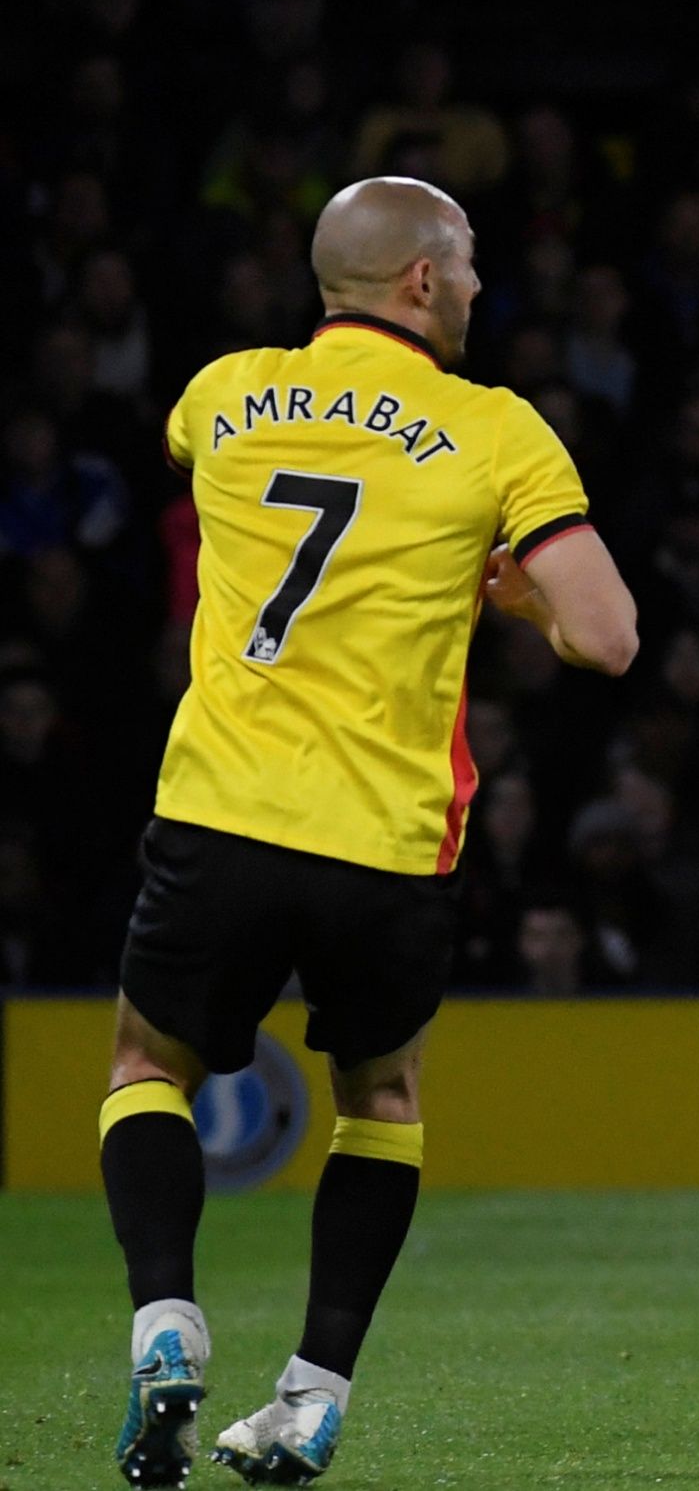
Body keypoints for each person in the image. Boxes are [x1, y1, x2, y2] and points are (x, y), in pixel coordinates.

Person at [99, 177, 638, 1488]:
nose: (477, 289)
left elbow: (221, 476)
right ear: (418, 281)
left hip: (221, 808)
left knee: (144, 1065)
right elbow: (609, 639)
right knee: (381, 1095)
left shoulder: (219, 394)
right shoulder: (497, 430)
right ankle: (315, 1392)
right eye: (465, 269)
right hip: (389, 840)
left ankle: (166, 1316)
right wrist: (515, 604)